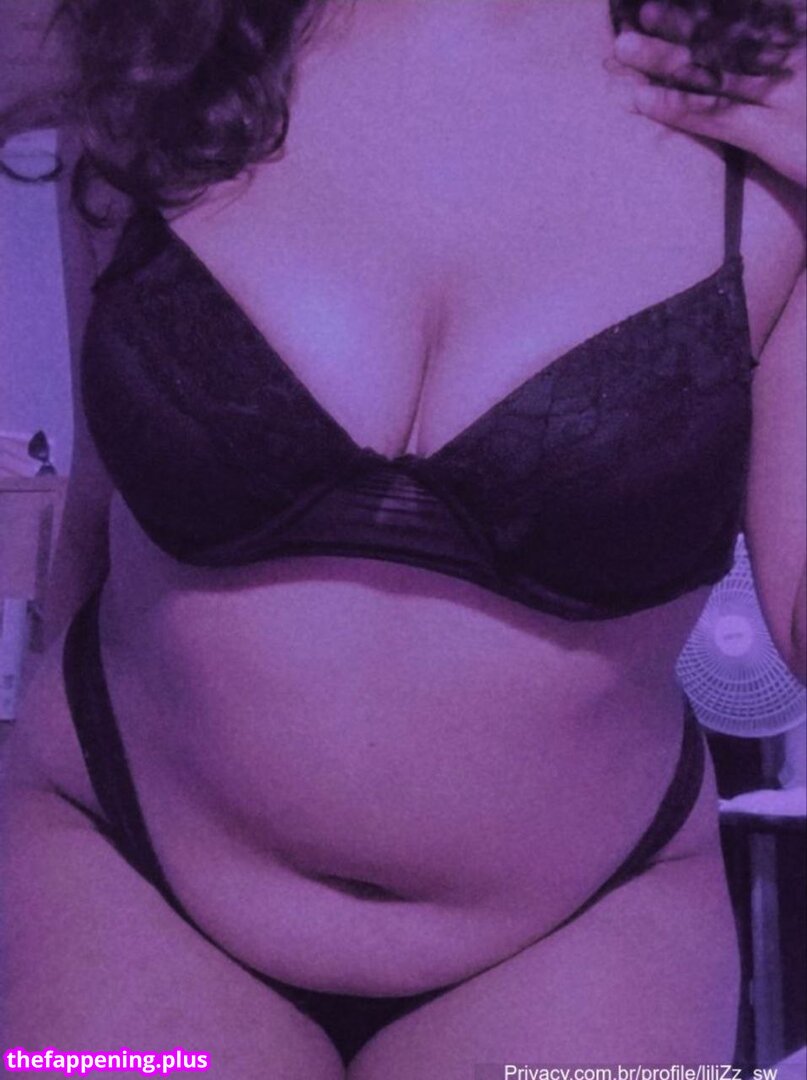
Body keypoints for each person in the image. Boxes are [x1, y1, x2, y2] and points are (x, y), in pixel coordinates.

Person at [2, 1, 805, 1076]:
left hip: (588, 922)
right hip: (117, 856)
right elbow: (98, 502)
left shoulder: (771, 107)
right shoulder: (164, 44)